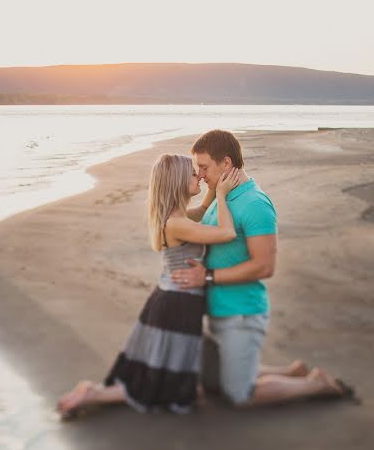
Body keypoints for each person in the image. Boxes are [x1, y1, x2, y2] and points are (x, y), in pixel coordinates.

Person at [171, 130, 354, 406]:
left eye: (205, 167)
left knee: (238, 394)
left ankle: (314, 385)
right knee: (219, 379)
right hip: (219, 309)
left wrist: (206, 276)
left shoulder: (255, 204)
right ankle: (291, 372)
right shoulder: (222, 196)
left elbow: (264, 266)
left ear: (227, 164)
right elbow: (192, 224)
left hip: (241, 312)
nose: (201, 174)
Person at [56, 154, 243, 416]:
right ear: (177, 182)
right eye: (192, 173)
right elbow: (227, 233)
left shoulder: (175, 217)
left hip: (168, 298)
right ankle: (94, 394)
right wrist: (222, 195)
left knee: (156, 366)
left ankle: (94, 392)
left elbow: (201, 212)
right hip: (178, 303)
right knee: (161, 381)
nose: (198, 175)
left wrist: (213, 188)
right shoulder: (177, 224)